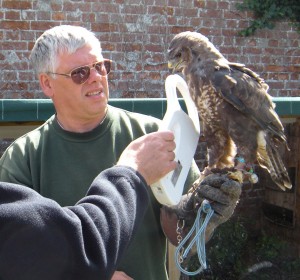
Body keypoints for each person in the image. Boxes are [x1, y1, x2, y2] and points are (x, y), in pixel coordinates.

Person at [0, 25, 241, 280]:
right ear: (47, 84)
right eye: (80, 73)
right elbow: (17, 259)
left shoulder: (154, 135)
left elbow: (179, 234)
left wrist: (203, 216)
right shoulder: (23, 158)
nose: (96, 77)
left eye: (101, 66)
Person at [0, 131, 177, 280]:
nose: (94, 86)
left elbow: (190, 228)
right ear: (47, 87)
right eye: (78, 85)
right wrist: (133, 171)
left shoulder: (153, 134)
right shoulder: (24, 154)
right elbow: (77, 247)